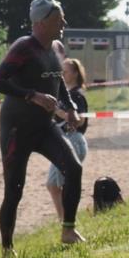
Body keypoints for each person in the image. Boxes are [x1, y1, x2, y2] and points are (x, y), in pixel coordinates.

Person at [0, 0, 84, 256]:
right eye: (58, 18)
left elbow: (59, 82)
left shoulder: (54, 47)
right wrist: (33, 95)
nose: (64, 22)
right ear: (41, 23)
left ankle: (68, 230)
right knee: (14, 190)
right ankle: (7, 249)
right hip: (16, 129)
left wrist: (71, 108)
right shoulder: (23, 47)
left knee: (73, 167)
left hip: (44, 127)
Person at [46, 59, 90, 221]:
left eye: (66, 71)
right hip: (63, 140)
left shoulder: (76, 95)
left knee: (61, 184)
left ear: (75, 73)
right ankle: (64, 220)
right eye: (61, 71)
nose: (62, 74)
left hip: (73, 140)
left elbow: (80, 121)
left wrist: (59, 112)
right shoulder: (63, 93)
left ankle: (67, 222)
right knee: (53, 185)